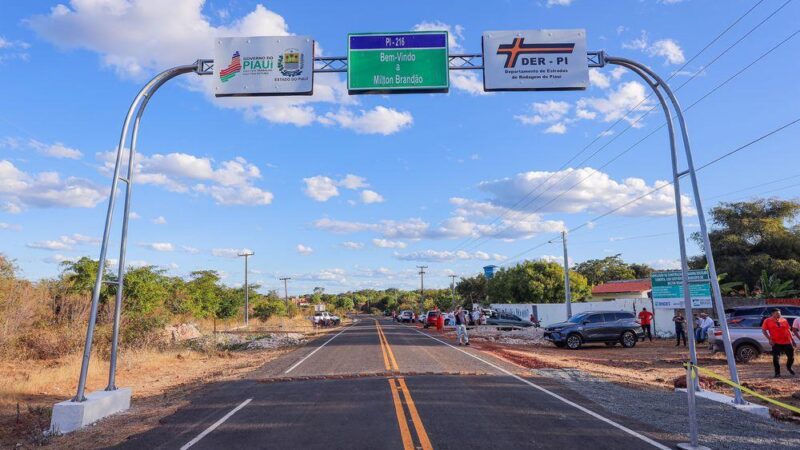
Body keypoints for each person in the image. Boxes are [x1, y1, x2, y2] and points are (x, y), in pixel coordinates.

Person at [761, 308, 796, 377]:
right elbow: (764, 330)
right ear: (772, 314)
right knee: (776, 358)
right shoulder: (767, 321)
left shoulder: (784, 320)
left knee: (791, 357)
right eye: (777, 314)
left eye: (779, 314)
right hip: (776, 342)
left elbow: (788, 330)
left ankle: (789, 367)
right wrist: (769, 339)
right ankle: (777, 373)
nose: (779, 315)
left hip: (787, 341)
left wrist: (793, 340)